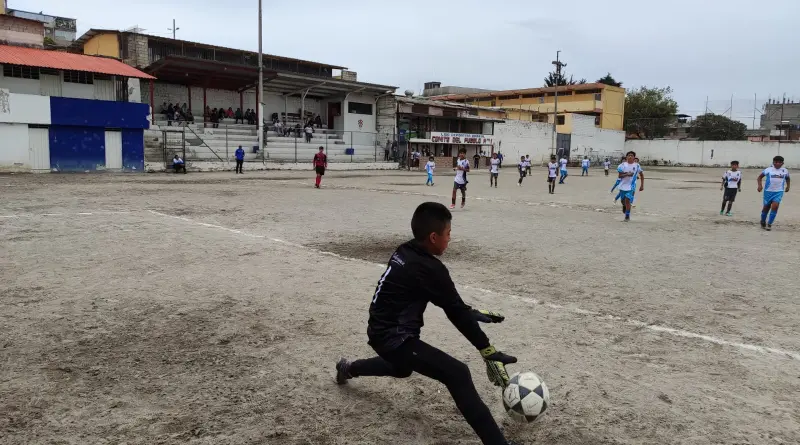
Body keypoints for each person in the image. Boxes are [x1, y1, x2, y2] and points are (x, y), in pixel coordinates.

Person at [335, 202, 520, 445]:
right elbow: (453, 311)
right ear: (433, 237)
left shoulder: (406, 251)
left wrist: (468, 311)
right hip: (393, 338)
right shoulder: (428, 268)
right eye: (448, 234)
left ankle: (348, 367)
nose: (450, 239)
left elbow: (443, 300)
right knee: (458, 373)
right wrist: (487, 350)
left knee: (401, 368)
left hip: (381, 330)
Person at [757, 155, 790, 231]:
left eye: (779, 162)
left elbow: (788, 178)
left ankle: (769, 224)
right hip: (768, 191)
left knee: (775, 206)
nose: (777, 164)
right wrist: (760, 186)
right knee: (766, 208)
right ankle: (762, 221)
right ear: (773, 162)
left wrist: (788, 186)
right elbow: (759, 177)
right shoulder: (769, 170)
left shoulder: (785, 171)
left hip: (778, 192)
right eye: (776, 162)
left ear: (782, 163)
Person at [617, 151, 643, 222]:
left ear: (634, 157)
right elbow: (620, 176)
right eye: (629, 155)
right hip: (623, 185)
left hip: (631, 186)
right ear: (626, 157)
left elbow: (641, 175)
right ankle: (624, 206)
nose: (630, 157)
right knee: (623, 201)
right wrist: (627, 174)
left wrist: (642, 185)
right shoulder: (622, 165)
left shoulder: (637, 165)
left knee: (627, 200)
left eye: (632, 155)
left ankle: (627, 216)